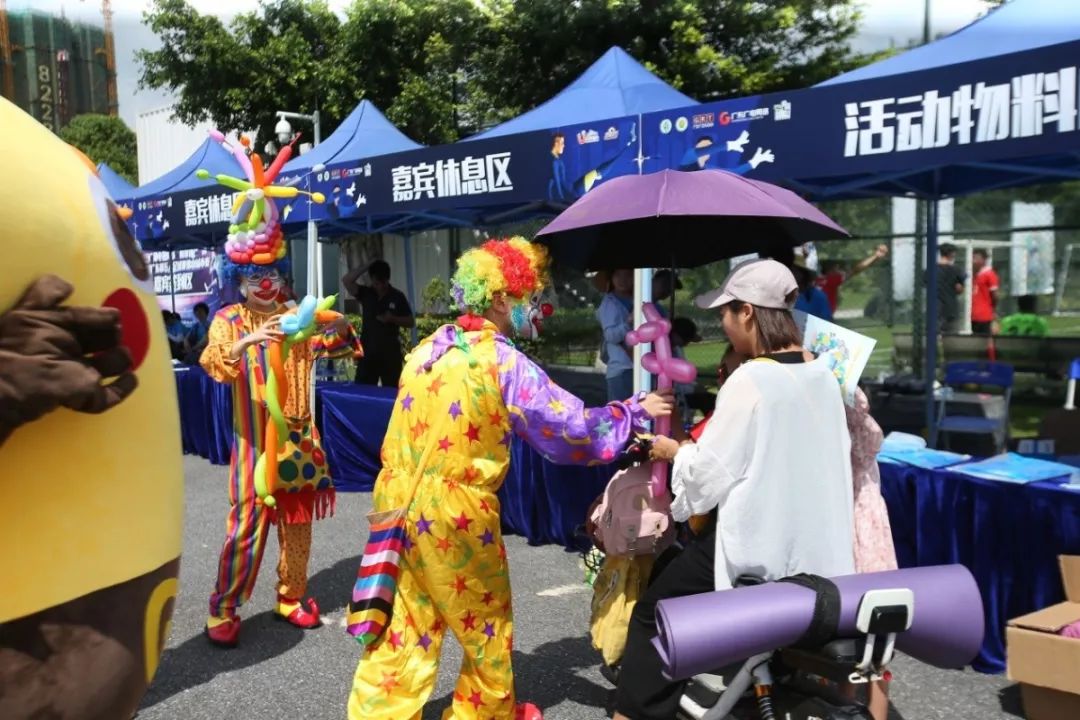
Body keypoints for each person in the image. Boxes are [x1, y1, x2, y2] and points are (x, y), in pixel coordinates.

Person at [348, 237, 674, 720]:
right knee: (484, 620)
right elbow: (568, 427)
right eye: (532, 296)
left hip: (398, 502)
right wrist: (632, 413)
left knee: (406, 620)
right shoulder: (500, 360)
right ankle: (485, 713)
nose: (539, 308)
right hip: (456, 512)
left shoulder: (426, 350)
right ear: (501, 299)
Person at [611, 259, 855, 720]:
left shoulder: (750, 378)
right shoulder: (823, 374)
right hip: (818, 557)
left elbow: (706, 477)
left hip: (756, 550)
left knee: (652, 616)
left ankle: (633, 714)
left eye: (725, 312)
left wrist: (673, 450)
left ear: (747, 312)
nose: (722, 324)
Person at [200, 259, 361, 648]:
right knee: (246, 526)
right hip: (253, 442)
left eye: (271, 275)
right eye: (255, 277)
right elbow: (213, 362)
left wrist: (340, 327)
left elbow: (333, 345)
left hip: (298, 437)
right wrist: (248, 342)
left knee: (298, 525)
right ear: (239, 283)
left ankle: (290, 595)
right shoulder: (230, 318)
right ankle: (224, 607)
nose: (265, 284)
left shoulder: (296, 315)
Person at [342, 259, 414, 386]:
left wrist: (393, 319)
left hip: (390, 355)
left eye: (383, 283)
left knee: (391, 394)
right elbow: (347, 280)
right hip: (368, 354)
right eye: (376, 283)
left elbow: (410, 321)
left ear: (388, 279)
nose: (380, 287)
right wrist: (369, 263)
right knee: (362, 392)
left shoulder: (397, 296)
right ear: (371, 280)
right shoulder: (366, 293)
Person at [597, 268, 636, 401]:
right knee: (622, 417)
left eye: (627, 275)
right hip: (621, 370)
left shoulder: (637, 298)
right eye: (618, 275)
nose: (622, 280)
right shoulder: (609, 303)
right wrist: (629, 323)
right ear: (611, 278)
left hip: (637, 368)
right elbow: (611, 336)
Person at [816, 244, 889, 314]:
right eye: (836, 268)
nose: (838, 270)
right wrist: (875, 256)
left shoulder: (815, 279)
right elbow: (856, 270)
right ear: (830, 270)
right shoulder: (832, 280)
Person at [937, 243, 966, 333]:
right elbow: (960, 289)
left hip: (935, 306)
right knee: (952, 336)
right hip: (951, 307)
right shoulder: (956, 270)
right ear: (951, 254)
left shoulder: (931, 269)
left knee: (932, 336)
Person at [971, 249, 1000, 335]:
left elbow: (995, 295)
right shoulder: (975, 274)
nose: (973, 261)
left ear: (983, 260)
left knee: (985, 342)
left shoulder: (989, 274)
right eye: (973, 258)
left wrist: (992, 311)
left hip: (984, 316)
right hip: (974, 316)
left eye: (976, 258)